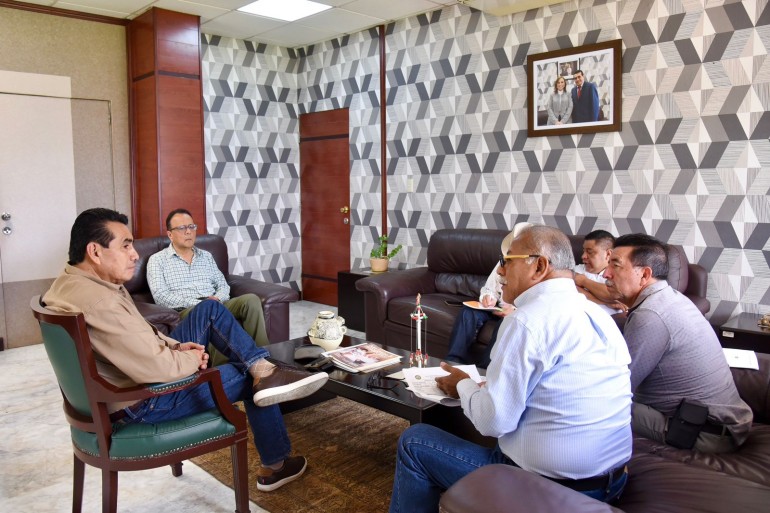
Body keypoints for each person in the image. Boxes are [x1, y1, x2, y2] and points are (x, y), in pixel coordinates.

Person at [42, 208, 329, 491]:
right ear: (94, 251)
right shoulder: (102, 302)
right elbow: (159, 368)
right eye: (126, 246)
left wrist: (176, 345)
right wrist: (190, 359)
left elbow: (144, 334)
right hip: (145, 403)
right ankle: (276, 463)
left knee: (210, 310)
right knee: (247, 376)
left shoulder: (70, 283)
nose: (135, 254)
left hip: (127, 386)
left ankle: (264, 366)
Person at [389, 225, 633, 513]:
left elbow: (493, 423)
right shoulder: (598, 315)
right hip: (613, 480)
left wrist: (462, 385)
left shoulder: (527, 321)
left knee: (414, 442)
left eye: (507, 261)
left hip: (551, 489)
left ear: (539, 266)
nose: (501, 271)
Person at [603, 234, 753, 453]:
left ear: (645, 274)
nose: (606, 274)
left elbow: (619, 385)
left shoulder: (650, 315)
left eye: (615, 265)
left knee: (595, 402)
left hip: (702, 431)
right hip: (725, 423)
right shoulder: (671, 297)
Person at [147, 208, 268, 364]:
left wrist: (217, 299)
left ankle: (265, 358)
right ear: (170, 234)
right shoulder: (157, 260)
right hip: (187, 310)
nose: (188, 232)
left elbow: (222, 284)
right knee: (209, 311)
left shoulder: (206, 256)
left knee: (251, 300)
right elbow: (161, 296)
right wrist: (203, 304)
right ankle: (222, 369)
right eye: (182, 228)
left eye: (191, 227)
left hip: (217, 303)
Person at [445, 222, 532, 367]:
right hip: (496, 307)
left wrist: (515, 311)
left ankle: (484, 370)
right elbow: (489, 288)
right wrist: (488, 297)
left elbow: (537, 304)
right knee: (468, 312)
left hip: (515, 313)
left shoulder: (535, 269)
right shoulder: (503, 261)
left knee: (507, 323)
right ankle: (453, 361)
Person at [573, 230, 626, 315]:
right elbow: (568, 288)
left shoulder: (619, 274)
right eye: (584, 251)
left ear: (608, 254)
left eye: (590, 252)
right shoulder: (577, 269)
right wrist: (604, 302)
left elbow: (614, 295)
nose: (583, 256)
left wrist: (583, 281)